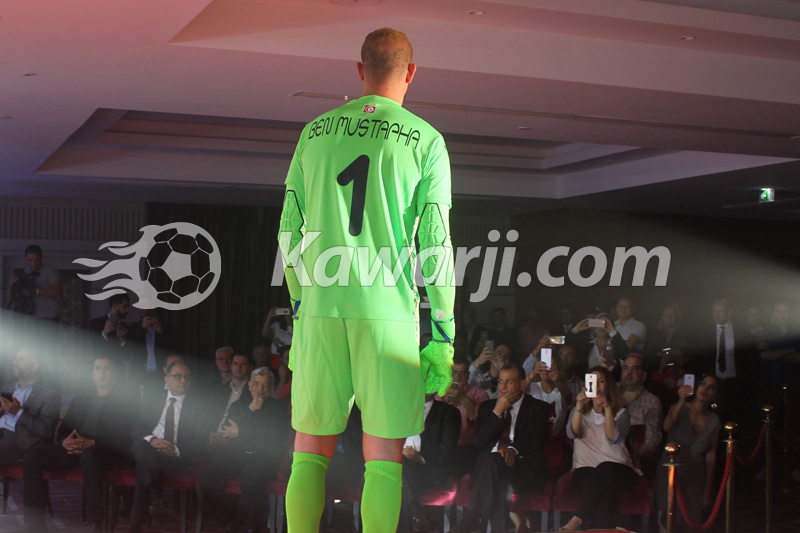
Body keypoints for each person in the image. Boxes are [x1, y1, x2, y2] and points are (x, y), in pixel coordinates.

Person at [278, 28, 456, 533]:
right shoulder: (427, 140)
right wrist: (442, 334)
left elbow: (289, 230)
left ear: (360, 71)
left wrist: (298, 306)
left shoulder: (314, 132)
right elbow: (437, 245)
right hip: (389, 315)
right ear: (412, 72)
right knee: (383, 455)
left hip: (320, 307)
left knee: (309, 450)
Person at [22, 356, 137, 532]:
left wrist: (91, 442)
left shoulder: (124, 401)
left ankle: (96, 521)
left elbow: (124, 435)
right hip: (75, 447)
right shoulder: (83, 397)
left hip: (105, 449)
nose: (102, 373)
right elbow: (64, 427)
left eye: (107, 369)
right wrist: (64, 441)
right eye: (98, 368)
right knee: (33, 456)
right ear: (92, 374)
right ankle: (34, 522)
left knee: (89, 455)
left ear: (115, 374)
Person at [450, 363, 550, 533]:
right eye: (501, 381)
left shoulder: (538, 408)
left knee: (495, 460)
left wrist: (511, 450)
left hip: (523, 469)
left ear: (522, 383)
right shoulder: (489, 407)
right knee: (501, 484)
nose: (503, 387)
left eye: (509, 382)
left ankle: (472, 518)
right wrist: (497, 412)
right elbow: (479, 441)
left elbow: (533, 439)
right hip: (490, 471)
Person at [199, 367, 291, 533]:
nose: (260, 389)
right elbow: (227, 432)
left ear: (271, 388)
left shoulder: (278, 409)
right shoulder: (239, 405)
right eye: (256, 384)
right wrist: (250, 409)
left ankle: (253, 526)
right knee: (206, 478)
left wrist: (241, 433)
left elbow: (272, 441)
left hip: (264, 456)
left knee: (251, 477)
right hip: (237, 452)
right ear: (249, 386)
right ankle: (229, 516)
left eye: (265, 385)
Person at [127, 361, 205, 532]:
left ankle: (141, 517)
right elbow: (136, 428)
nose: (183, 381)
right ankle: (154, 497)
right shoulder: (154, 399)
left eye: (186, 377)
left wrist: (175, 450)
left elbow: (201, 440)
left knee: (143, 465)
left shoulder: (199, 405)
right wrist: (152, 440)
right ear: (166, 380)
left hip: (177, 458)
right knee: (141, 446)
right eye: (177, 376)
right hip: (151, 449)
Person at [561, 366, 639, 532]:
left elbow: (613, 437)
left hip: (618, 470)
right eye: (593, 381)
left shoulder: (622, 413)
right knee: (602, 487)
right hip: (585, 470)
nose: (597, 386)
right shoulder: (579, 411)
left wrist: (608, 408)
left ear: (608, 385)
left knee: (605, 470)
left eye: (601, 381)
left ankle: (578, 518)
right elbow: (572, 433)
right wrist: (579, 406)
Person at [657, 376, 721, 526]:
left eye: (711, 387)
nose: (705, 388)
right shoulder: (679, 408)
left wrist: (708, 490)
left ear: (715, 394)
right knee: (670, 520)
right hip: (671, 470)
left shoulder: (713, 420)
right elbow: (666, 427)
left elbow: (711, 456)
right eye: (703, 384)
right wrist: (680, 401)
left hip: (695, 474)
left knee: (694, 521)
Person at [398, 394, 460, 533]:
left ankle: (415, 516)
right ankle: (416, 516)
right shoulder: (401, 408)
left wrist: (419, 457)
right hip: (400, 465)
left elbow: (447, 448)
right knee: (397, 468)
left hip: (429, 468)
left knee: (399, 473)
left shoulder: (448, 412)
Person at [0, 350, 60, 468]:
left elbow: (46, 431)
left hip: (19, 439)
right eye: (15, 359)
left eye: (21, 360)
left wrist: (18, 412)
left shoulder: (49, 394)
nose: (15, 362)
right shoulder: (7, 388)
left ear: (34, 366)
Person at [435, 357, 489, 476]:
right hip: (441, 448)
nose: (457, 377)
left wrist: (462, 397)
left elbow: (482, 420)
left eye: (462, 373)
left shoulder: (479, 393)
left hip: (467, 448)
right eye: (454, 373)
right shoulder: (438, 393)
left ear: (468, 375)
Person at [617, 354, 662, 473]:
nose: (629, 372)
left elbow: (652, 438)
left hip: (636, 458)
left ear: (644, 375)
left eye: (635, 368)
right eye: (626, 368)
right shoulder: (610, 391)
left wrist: (632, 456)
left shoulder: (652, 401)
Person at [5, 244, 62, 320]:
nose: (33, 264)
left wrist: (36, 291)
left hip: (48, 316)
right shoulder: (25, 273)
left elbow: (57, 293)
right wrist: (11, 285)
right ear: (26, 259)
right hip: (30, 317)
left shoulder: (50, 270)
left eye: (36, 260)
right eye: (30, 260)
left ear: (41, 258)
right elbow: (11, 299)